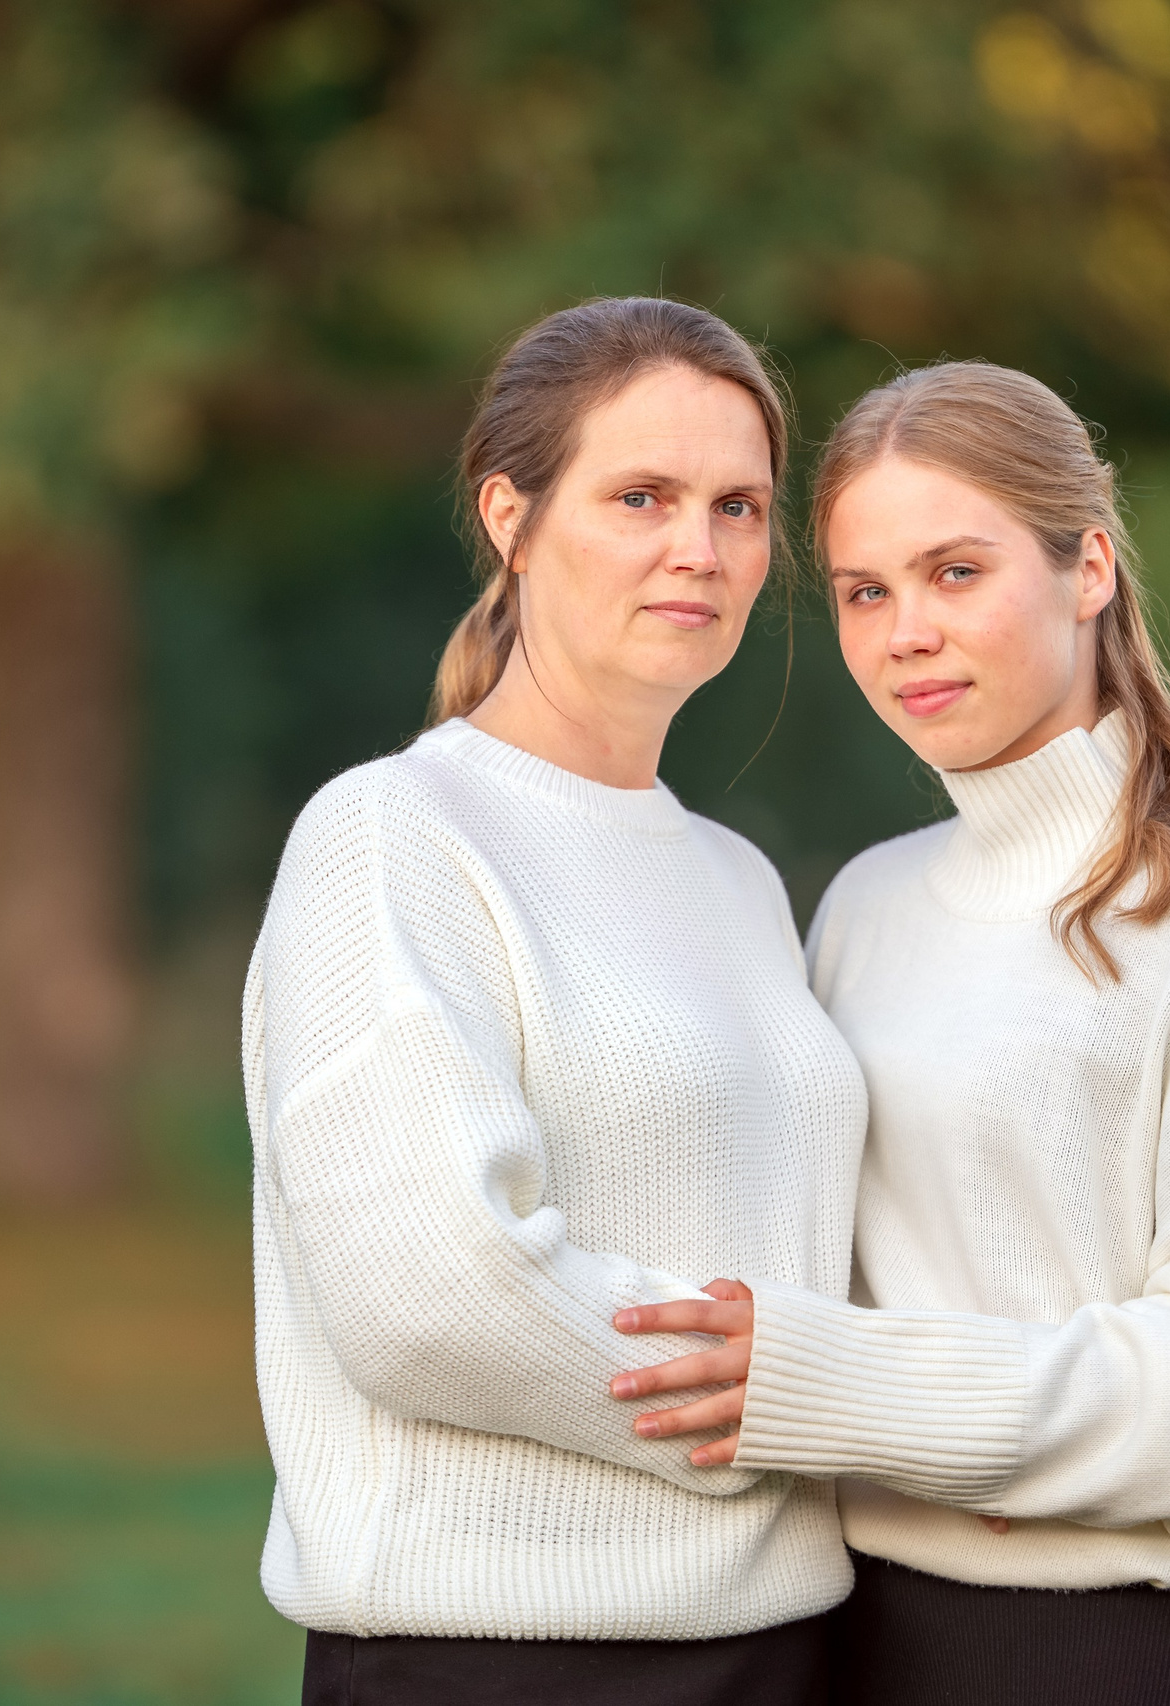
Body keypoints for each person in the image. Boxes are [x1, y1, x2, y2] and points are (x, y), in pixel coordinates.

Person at [612, 360, 1170, 1705]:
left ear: (1090, 569)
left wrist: (857, 1391)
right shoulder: (863, 905)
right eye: (865, 591)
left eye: (956, 573)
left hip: (1120, 1655)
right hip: (862, 1639)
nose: (906, 632)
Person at [244, 297, 868, 1706]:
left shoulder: (739, 880)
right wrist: (801, 1402)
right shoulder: (395, 833)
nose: (698, 548)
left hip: (788, 1647)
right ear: (509, 516)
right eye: (641, 496)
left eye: (737, 507)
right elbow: (432, 1295)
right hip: (504, 1661)